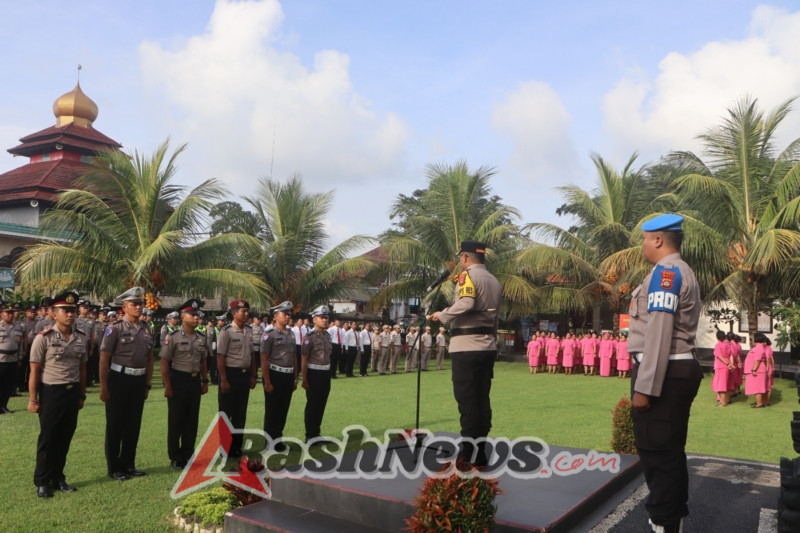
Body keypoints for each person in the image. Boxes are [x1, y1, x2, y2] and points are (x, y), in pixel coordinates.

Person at [628, 214, 703, 533]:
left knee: (658, 454)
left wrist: (645, 386)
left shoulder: (666, 274)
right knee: (669, 453)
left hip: (664, 371)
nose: (643, 245)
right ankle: (671, 520)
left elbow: (658, 331)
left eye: (645, 239)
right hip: (674, 369)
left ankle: (664, 523)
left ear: (658, 240)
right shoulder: (677, 271)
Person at [429, 240, 501, 467]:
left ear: (465, 258)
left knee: (467, 400)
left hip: (466, 346)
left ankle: (468, 452)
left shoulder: (467, 277)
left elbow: (466, 302)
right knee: (481, 399)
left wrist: (442, 315)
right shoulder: (494, 281)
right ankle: (480, 450)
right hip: (486, 345)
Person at [28, 291, 88, 498]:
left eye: (73, 310)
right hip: (51, 392)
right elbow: (34, 371)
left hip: (71, 393)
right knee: (48, 438)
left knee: (65, 437)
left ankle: (58, 477)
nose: (70, 314)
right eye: (65, 310)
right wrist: (33, 399)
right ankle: (42, 481)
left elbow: (82, 369)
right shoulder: (42, 338)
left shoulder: (81, 337)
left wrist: (81, 395)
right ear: (54, 314)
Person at [99, 287, 155, 481]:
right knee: (115, 425)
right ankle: (114, 468)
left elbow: (149, 358)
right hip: (119, 379)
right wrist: (104, 387)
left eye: (141, 304)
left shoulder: (147, 328)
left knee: (133, 424)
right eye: (134, 304)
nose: (139, 307)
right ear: (124, 307)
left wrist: (147, 384)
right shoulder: (115, 328)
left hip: (138, 380)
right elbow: (104, 358)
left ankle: (128, 464)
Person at [159, 299, 210, 469]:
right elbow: (165, 362)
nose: (196, 318)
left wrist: (204, 381)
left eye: (197, 315)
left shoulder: (201, 338)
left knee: (191, 420)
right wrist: (167, 385)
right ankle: (175, 457)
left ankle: (188, 454)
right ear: (182, 317)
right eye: (192, 315)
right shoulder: (172, 337)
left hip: (194, 381)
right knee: (176, 421)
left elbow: (203, 361)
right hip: (178, 380)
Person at [217, 299, 256, 458]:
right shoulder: (226, 331)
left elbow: (253, 355)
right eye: (243, 311)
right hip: (230, 374)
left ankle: (236, 447)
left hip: (244, 376)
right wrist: (224, 379)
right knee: (226, 412)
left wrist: (253, 375)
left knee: (241, 413)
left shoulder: (249, 330)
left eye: (247, 311)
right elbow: (220, 357)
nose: (246, 314)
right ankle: (225, 447)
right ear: (234, 313)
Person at [260, 301, 297, 449]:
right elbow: (263, 358)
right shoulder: (269, 334)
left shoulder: (292, 334)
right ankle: (269, 442)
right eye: (285, 314)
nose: (288, 316)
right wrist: (267, 381)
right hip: (274, 374)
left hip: (288, 376)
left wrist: (295, 378)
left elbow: (294, 357)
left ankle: (278, 440)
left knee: (283, 409)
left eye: (289, 314)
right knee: (272, 410)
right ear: (275, 316)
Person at [302, 305, 333, 442]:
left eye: (326, 317)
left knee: (321, 404)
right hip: (314, 374)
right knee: (313, 405)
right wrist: (304, 379)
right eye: (322, 317)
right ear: (314, 320)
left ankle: (316, 433)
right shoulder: (309, 337)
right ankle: (310, 435)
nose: (325, 320)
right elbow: (304, 359)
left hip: (326, 373)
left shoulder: (328, 336)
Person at [0, 301, 23, 413]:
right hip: (1, 359)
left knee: (8, 385)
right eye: (7, 313)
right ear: (1, 314)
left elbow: (20, 344)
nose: (10, 315)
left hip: (13, 359)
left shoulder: (18, 327)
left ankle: (3, 406)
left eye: (11, 313)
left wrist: (19, 358)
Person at [744, 332, 770, 408]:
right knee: (757, 387)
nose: (752, 340)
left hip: (758, 370)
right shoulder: (759, 347)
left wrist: (753, 370)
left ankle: (759, 403)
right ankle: (760, 402)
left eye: (753, 338)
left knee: (757, 388)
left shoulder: (758, 348)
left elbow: (757, 360)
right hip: (758, 370)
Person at [711, 330, 733, 406]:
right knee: (724, 383)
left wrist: (727, 363)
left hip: (721, 366)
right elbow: (730, 355)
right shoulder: (727, 344)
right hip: (726, 365)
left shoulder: (718, 345)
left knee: (721, 385)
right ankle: (723, 400)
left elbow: (719, 356)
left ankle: (723, 402)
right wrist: (729, 364)